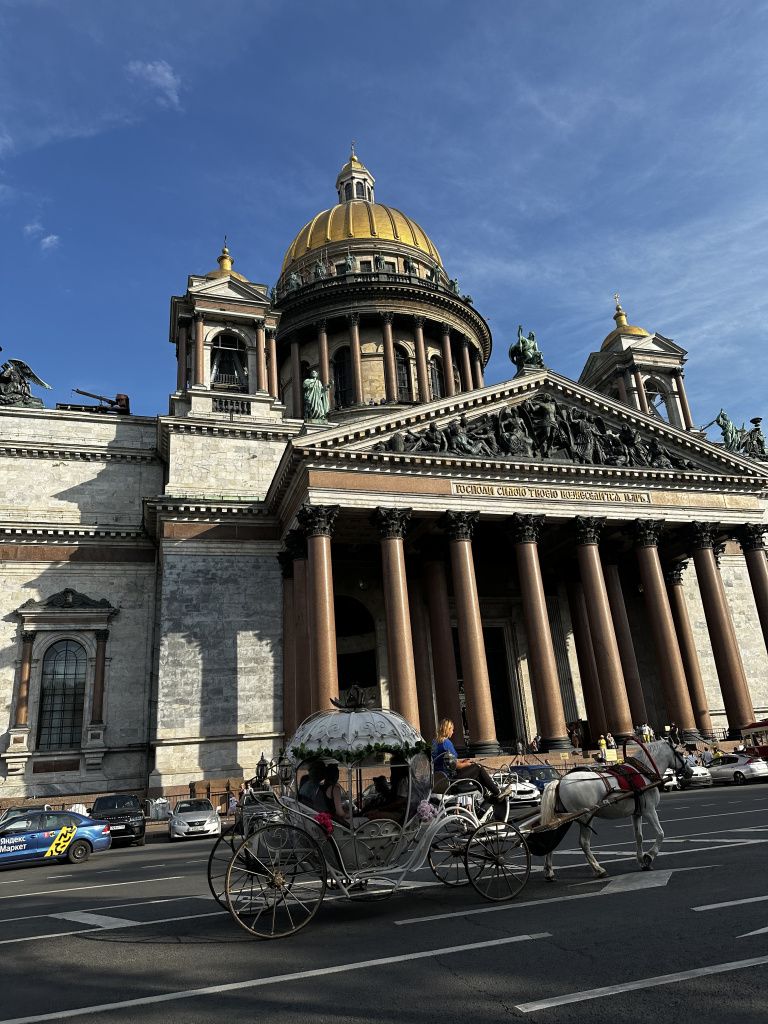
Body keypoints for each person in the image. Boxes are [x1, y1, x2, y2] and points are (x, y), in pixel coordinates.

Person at [431, 719, 511, 802]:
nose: (453, 732)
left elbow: (447, 763)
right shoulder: (447, 743)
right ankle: (497, 793)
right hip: (451, 780)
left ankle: (487, 797)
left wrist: (463, 762)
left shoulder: (434, 743)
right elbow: (456, 766)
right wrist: (467, 764)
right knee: (477, 768)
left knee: (476, 773)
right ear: (447, 729)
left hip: (439, 780)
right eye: (452, 729)